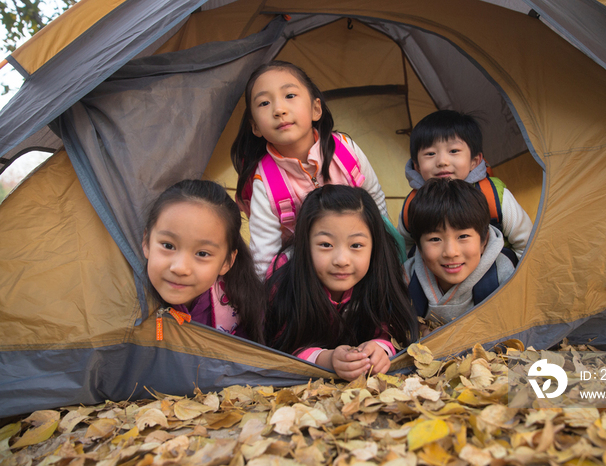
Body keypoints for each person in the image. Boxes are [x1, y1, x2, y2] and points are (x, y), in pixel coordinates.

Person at [231, 60, 388, 277]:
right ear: (255, 126)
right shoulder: (264, 183)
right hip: (304, 276)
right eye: (264, 103)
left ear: (315, 109)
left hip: (361, 263)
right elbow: (265, 260)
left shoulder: (346, 151)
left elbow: (376, 204)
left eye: (290, 96)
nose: (279, 109)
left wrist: (386, 261)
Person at [264, 185, 417, 381]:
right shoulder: (285, 282)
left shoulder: (381, 278)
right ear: (304, 245)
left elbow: (394, 331)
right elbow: (279, 346)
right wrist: (326, 359)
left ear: (374, 246)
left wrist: (380, 349)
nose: (341, 260)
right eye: (326, 245)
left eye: (356, 245)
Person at [142, 179, 264, 342]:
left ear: (227, 261)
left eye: (202, 254)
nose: (180, 268)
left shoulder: (242, 307)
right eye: (168, 246)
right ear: (146, 242)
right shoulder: (121, 303)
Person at [399, 110, 532, 258]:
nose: (442, 161)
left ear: (474, 161)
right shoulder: (413, 204)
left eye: (454, 151)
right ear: (417, 166)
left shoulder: (493, 196)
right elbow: (405, 247)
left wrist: (511, 278)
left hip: (497, 277)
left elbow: (527, 244)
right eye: (430, 153)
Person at [404, 178, 516, 328]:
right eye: (435, 239)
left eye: (463, 237)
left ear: (484, 241)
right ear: (419, 247)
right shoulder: (407, 279)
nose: (451, 252)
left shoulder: (504, 275)